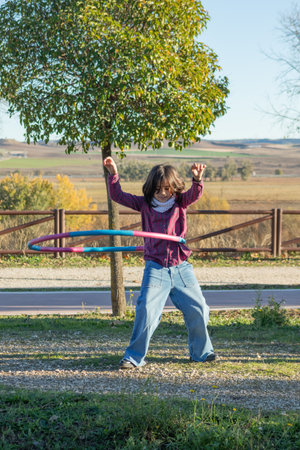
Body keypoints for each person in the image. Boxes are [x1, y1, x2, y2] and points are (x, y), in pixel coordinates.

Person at [104, 156, 215, 369]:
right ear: (150, 189)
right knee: (146, 309)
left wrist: (198, 179)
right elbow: (117, 195)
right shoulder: (144, 204)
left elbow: (195, 194)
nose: (163, 194)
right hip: (156, 267)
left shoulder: (181, 202)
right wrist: (113, 174)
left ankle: (202, 352)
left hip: (181, 267)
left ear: (174, 188)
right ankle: (134, 357)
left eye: (167, 189)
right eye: (157, 190)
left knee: (199, 308)